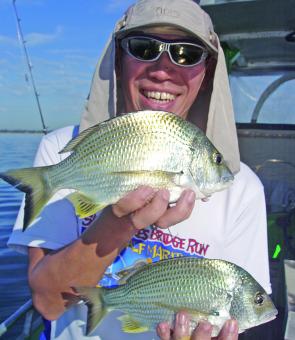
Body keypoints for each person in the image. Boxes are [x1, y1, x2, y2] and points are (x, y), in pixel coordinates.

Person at [8, 0, 271, 339]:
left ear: (207, 73)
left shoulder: (243, 189)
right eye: (144, 48)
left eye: (187, 54)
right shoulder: (60, 148)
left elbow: (238, 314)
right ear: (118, 59)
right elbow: (48, 303)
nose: (163, 70)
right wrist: (119, 223)